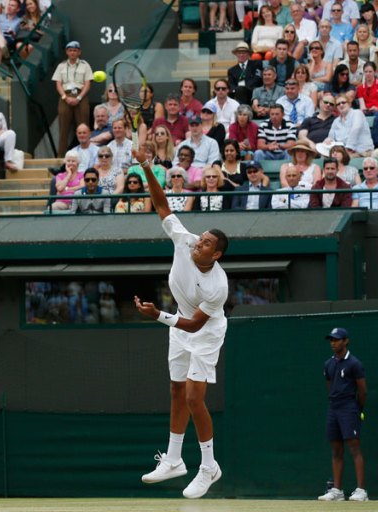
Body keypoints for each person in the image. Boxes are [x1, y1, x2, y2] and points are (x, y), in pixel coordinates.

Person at [132, 147, 229, 500]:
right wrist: (146, 166)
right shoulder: (184, 240)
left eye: (205, 244)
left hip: (204, 333)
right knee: (175, 391)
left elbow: (192, 325)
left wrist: (157, 314)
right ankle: (174, 460)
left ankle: (209, 467)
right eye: (199, 238)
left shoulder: (218, 286)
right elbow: (162, 206)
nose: (197, 243)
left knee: (193, 397)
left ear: (215, 255)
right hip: (178, 325)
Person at [318, 328, 368, 502]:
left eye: (337, 340)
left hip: (349, 408)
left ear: (346, 341)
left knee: (354, 448)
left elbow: (362, 390)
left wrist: (357, 409)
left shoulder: (354, 363)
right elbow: (330, 386)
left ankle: (361, 491)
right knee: (336, 450)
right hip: (334, 408)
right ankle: (337, 491)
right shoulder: (328, 364)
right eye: (331, 340)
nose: (333, 343)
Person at [53, 41, 92, 156]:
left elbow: (88, 84)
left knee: (83, 127)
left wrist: (79, 98)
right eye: (70, 50)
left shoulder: (85, 65)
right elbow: (58, 84)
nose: (72, 53)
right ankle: (61, 158)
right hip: (66, 96)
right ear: (66, 52)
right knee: (63, 129)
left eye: (75, 50)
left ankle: (86, 154)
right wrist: (65, 97)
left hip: (81, 96)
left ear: (79, 52)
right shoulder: (61, 66)